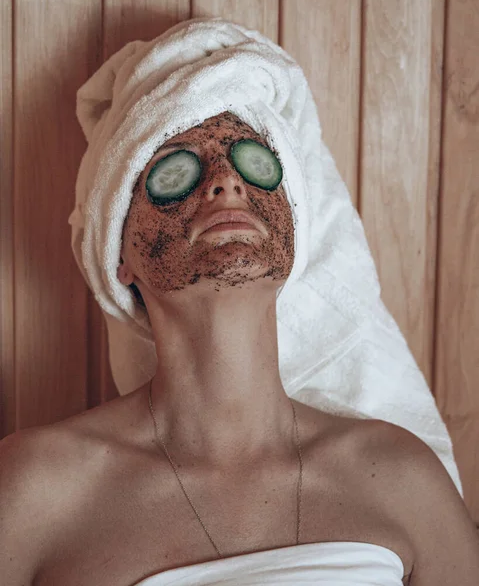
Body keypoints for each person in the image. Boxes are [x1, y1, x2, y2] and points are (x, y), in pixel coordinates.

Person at [1, 110, 479, 586]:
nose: (227, 181)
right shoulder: (37, 488)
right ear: (119, 254)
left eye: (254, 163)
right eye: (178, 170)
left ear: (292, 236)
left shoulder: (399, 476)